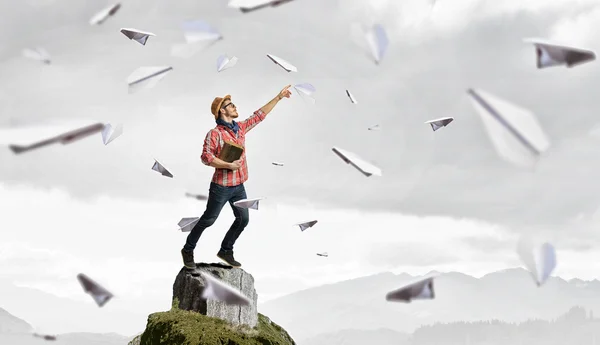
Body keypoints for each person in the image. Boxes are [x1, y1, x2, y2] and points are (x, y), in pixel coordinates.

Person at [181, 85, 292, 269]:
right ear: (222, 111)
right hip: (221, 187)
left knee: (243, 219)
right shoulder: (214, 134)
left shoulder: (239, 128)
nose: (234, 107)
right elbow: (206, 158)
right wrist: (227, 165)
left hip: (239, 185)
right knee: (209, 220)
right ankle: (187, 249)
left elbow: (259, 116)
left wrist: (278, 97)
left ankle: (226, 250)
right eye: (230, 105)